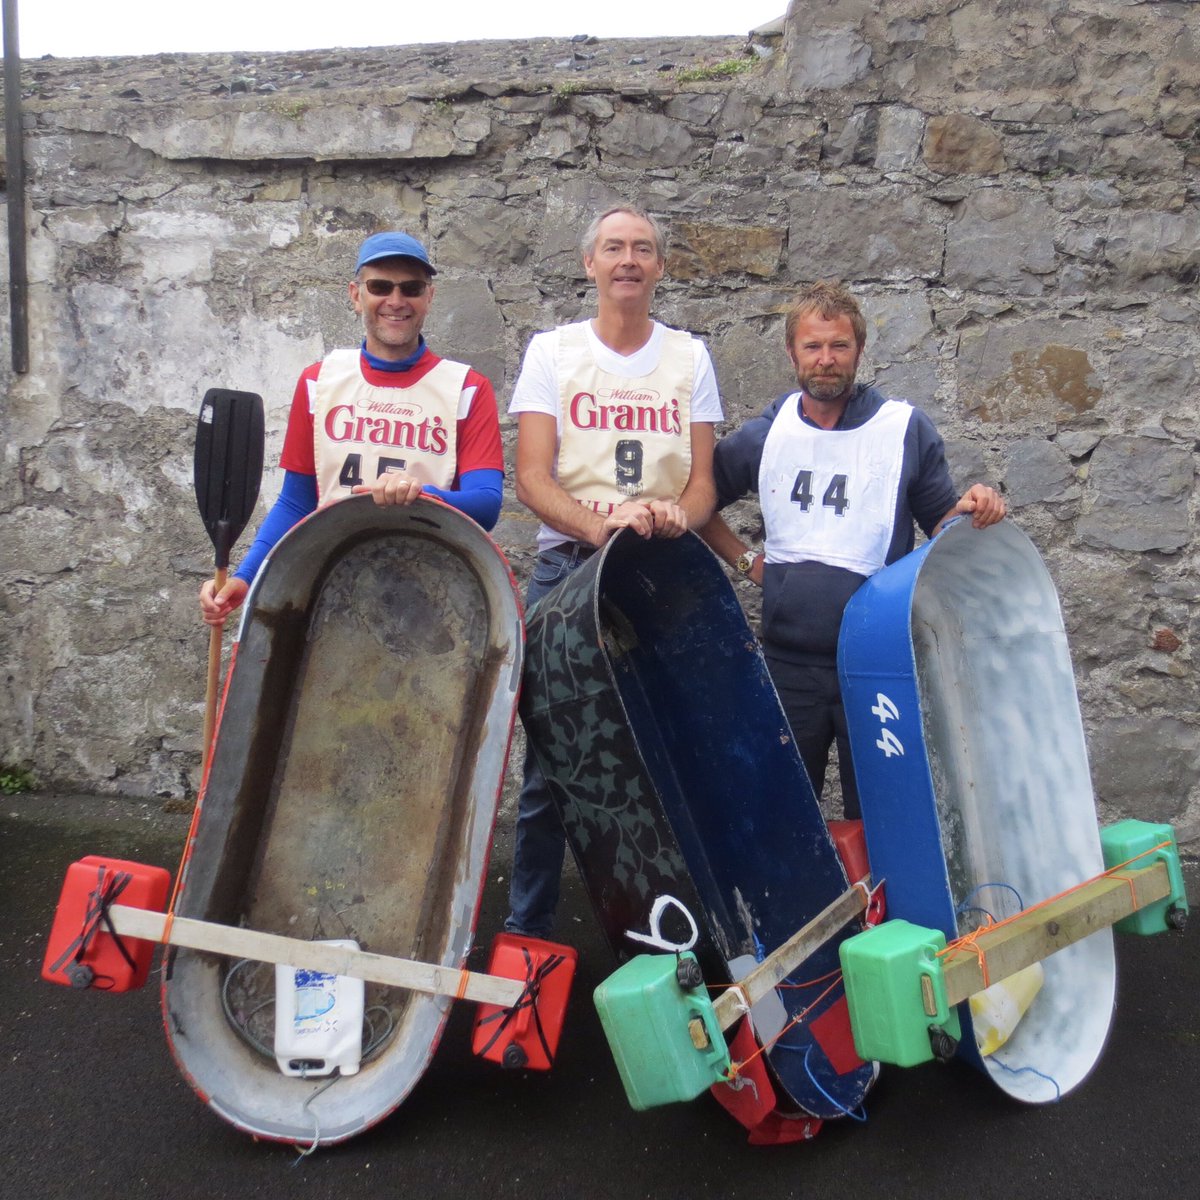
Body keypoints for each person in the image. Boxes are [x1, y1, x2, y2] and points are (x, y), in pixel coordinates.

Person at [699, 280, 1006, 819]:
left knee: (882, 817)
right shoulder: (767, 433)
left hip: (877, 662)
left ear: (859, 351)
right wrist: (748, 562)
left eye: (839, 345)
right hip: (789, 663)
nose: (826, 359)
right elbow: (699, 502)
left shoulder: (904, 429)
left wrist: (974, 507)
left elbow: (942, 526)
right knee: (785, 815)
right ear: (792, 352)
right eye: (813, 346)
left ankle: (881, 882)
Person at [504, 204, 723, 938]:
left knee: (670, 754)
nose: (628, 260)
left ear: (660, 266)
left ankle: (677, 936)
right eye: (613, 248)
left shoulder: (689, 357)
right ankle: (528, 935)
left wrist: (675, 517)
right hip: (569, 569)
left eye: (642, 249)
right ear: (589, 263)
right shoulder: (553, 352)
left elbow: (702, 486)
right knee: (549, 770)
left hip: (657, 577)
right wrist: (602, 527)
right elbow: (532, 478)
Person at [200, 231, 504, 627]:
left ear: (429, 297)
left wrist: (422, 495)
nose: (396, 300)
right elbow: (296, 502)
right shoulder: (319, 382)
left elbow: (486, 504)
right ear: (356, 294)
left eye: (411, 288)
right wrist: (245, 578)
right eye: (380, 286)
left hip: (428, 591)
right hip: (330, 584)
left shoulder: (466, 388)